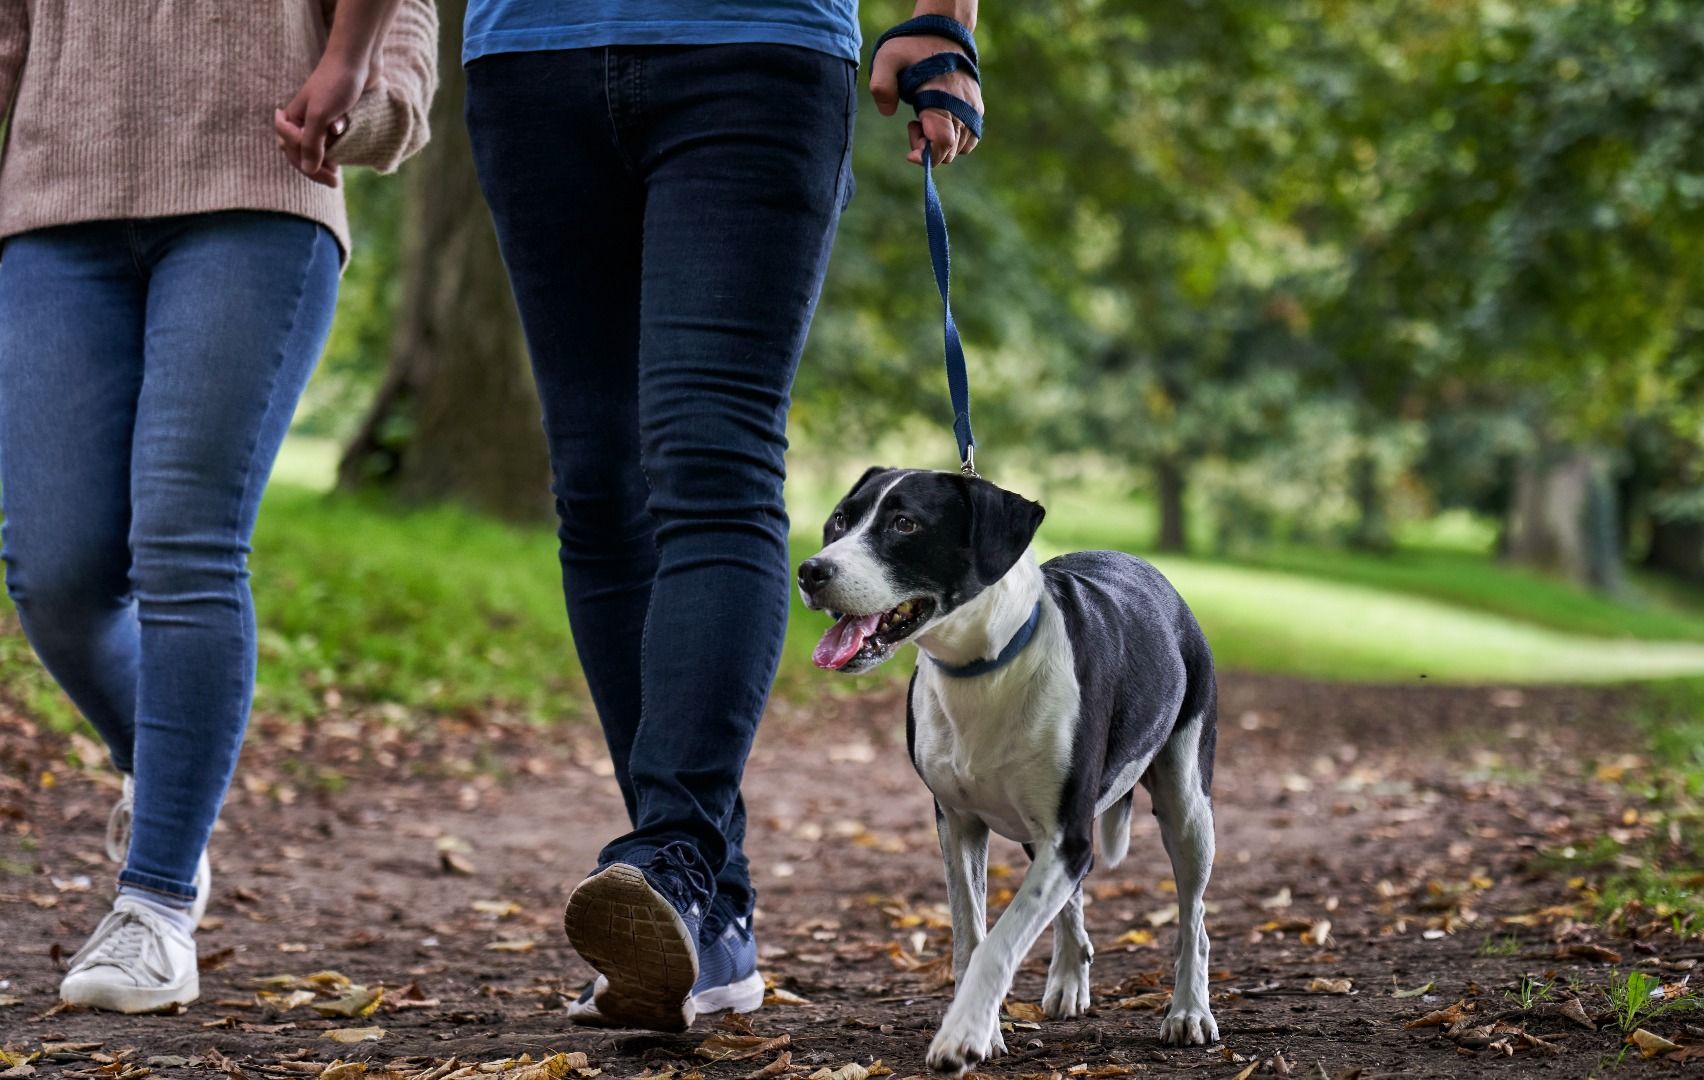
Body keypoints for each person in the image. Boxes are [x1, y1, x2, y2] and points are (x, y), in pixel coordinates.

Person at [463, 0, 984, 1030]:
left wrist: (937, 19)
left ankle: (673, 859)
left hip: (751, 42)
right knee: (599, 489)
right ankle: (703, 903)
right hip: (529, 54)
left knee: (711, 458)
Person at [0, 0, 436, 1014]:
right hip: (51, 205)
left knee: (185, 541)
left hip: (253, 194)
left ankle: (154, 905)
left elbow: (396, 31)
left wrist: (357, 91)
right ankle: (168, 776)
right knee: (53, 572)